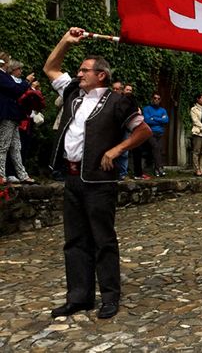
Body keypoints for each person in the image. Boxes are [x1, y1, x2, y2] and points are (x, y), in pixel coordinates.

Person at [43, 27, 152, 319]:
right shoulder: (72, 94)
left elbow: (143, 131)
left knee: (103, 240)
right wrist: (65, 40)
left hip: (99, 181)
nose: (79, 74)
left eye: (84, 71)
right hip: (72, 176)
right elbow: (50, 68)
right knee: (74, 240)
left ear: (100, 75)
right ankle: (79, 297)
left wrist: (116, 150)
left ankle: (110, 297)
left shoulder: (119, 101)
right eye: (79, 71)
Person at [0, 53, 36, 185]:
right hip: (7, 114)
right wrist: (27, 82)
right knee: (3, 145)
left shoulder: (5, 76)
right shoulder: (1, 76)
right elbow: (15, 90)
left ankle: (22, 174)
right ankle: (1, 175)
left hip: (14, 115)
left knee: (16, 146)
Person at [190, 93, 202, 176]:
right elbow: (195, 121)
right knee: (196, 151)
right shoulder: (194, 109)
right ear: (198, 99)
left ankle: (201, 168)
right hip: (198, 132)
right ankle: (196, 169)